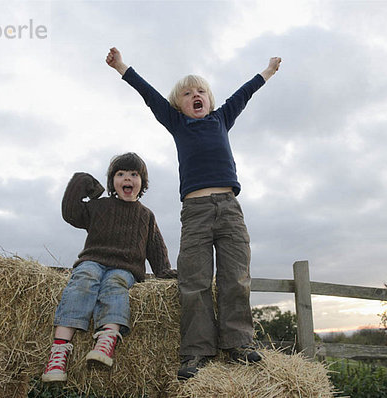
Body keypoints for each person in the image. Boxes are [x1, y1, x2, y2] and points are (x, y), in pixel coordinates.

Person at [106, 48, 281, 380]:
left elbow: (244, 94)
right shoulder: (177, 123)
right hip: (196, 212)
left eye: (200, 91)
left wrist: (268, 71)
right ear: (178, 105)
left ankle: (238, 343)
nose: (195, 95)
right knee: (195, 280)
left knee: (235, 276)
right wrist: (121, 66)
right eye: (187, 93)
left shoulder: (222, 118)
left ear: (211, 101)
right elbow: (149, 94)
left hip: (230, 209)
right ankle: (196, 351)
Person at [42, 152, 177, 383]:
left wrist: (164, 272)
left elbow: (155, 247)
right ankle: (59, 351)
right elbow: (71, 213)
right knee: (84, 279)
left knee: (115, 285)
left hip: (125, 267)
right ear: (112, 181)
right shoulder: (99, 207)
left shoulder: (146, 215)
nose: (128, 178)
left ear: (142, 182)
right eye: (121, 174)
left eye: (134, 174)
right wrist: (81, 181)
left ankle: (107, 340)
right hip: (93, 260)